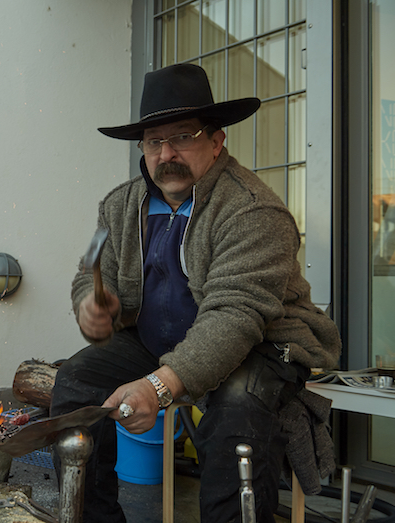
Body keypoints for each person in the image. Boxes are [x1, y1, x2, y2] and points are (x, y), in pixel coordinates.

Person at [51, 63, 341, 522]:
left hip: (259, 345)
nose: (166, 153)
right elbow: (88, 270)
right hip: (156, 342)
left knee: (235, 419)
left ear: (216, 139)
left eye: (183, 136)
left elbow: (235, 316)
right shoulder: (116, 206)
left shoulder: (254, 210)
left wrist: (158, 387)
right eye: (153, 141)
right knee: (75, 385)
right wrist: (88, 303)